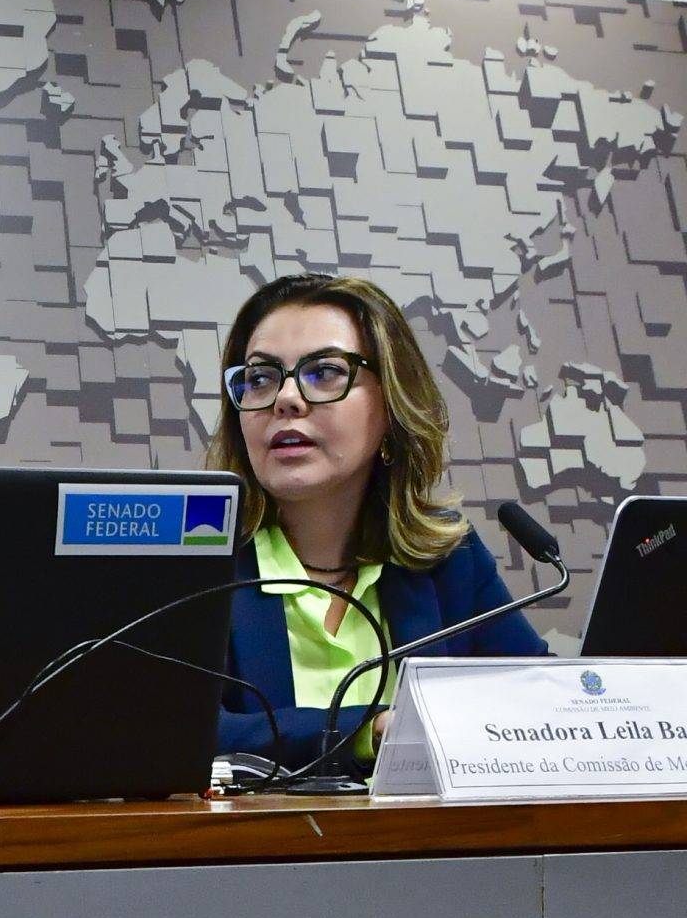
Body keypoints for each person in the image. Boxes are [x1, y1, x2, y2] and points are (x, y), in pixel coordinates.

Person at [207, 274, 548, 771]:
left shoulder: (448, 561)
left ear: (391, 404)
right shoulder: (197, 566)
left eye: (324, 372)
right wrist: (368, 732)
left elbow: (538, 708)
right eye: (260, 378)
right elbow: (171, 729)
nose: (286, 399)